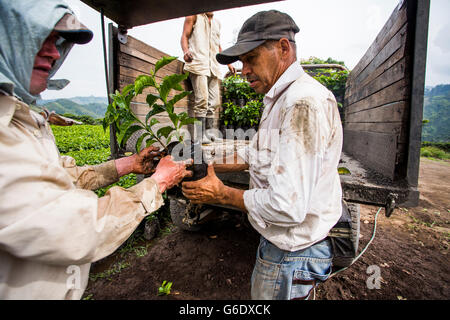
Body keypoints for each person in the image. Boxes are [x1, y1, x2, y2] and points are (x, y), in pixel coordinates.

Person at [0, 0, 192, 299]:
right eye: (40, 38)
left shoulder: (23, 117)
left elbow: (64, 180)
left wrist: (128, 164)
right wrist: (158, 183)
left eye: (56, 42)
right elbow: (74, 229)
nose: (53, 53)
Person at [182, 10, 343, 300]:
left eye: (251, 58)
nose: (244, 70)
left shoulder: (301, 103)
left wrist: (220, 195)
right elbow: (254, 152)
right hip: (286, 248)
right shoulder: (279, 98)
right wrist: (206, 163)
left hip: (291, 253)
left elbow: (286, 207)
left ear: (284, 48)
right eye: (243, 61)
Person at [181, 12, 235, 144]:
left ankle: (209, 133)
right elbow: (184, 36)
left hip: (213, 66)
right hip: (199, 63)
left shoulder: (217, 23)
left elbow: (218, 45)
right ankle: (199, 137)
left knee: (215, 101)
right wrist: (186, 52)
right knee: (202, 101)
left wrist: (228, 62)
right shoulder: (193, 16)